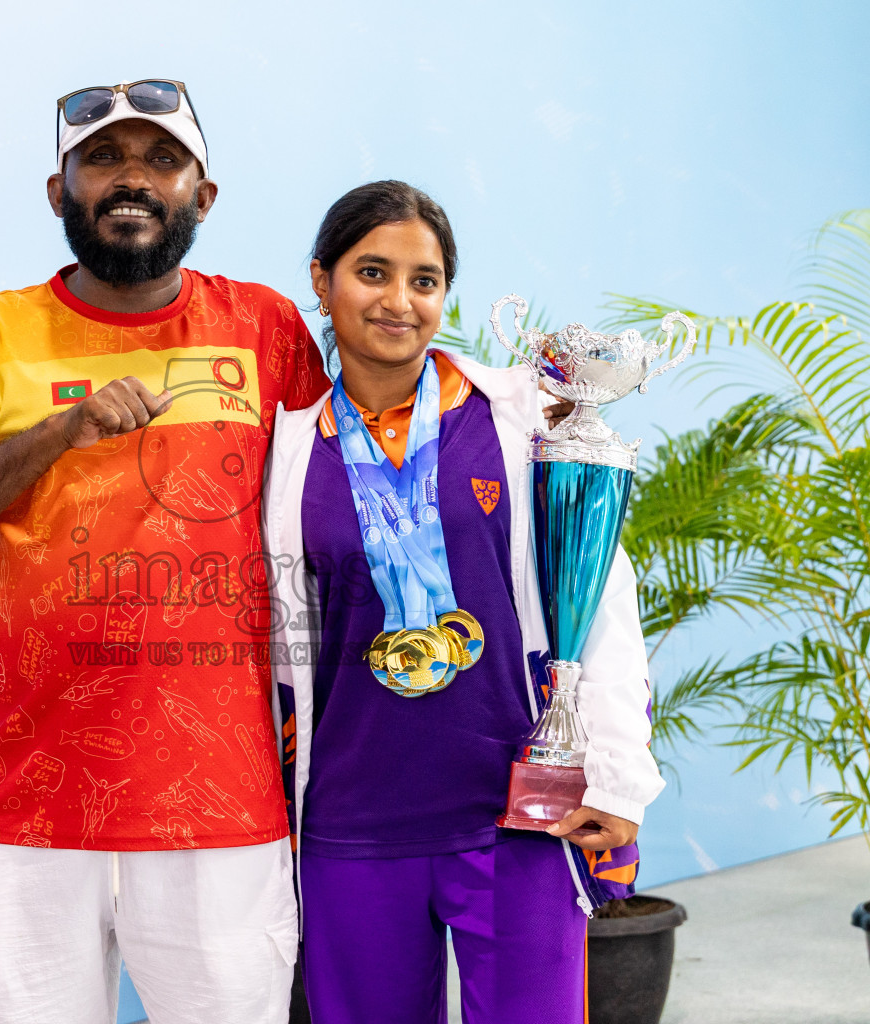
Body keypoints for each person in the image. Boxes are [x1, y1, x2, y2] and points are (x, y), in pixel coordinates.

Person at [0, 80, 328, 1024]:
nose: (132, 179)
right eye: (103, 158)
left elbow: (343, 507)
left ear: (203, 196)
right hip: (31, 810)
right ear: (59, 189)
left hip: (221, 807)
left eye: (163, 160)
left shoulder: (266, 328)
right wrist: (56, 433)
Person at [261, 181, 665, 1024]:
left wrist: (619, 774)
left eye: (425, 280)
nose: (399, 301)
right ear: (322, 281)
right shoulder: (286, 451)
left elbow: (602, 604)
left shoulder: (521, 417)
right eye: (372, 272)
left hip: (518, 814)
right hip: (351, 821)